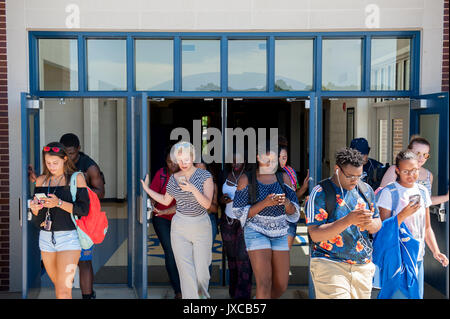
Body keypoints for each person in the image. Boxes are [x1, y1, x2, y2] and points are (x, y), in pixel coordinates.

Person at [141, 141, 214, 299]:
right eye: (179, 160)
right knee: (185, 272)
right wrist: (147, 189)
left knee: (202, 273)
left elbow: (207, 204)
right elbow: (166, 200)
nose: (182, 163)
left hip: (200, 224)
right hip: (179, 225)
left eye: (186, 159)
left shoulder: (204, 176)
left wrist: (192, 188)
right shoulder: (174, 178)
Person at [306, 147, 381, 299]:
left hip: (362, 265)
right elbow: (315, 234)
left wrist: (369, 224)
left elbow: (378, 223)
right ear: (337, 170)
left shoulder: (366, 190)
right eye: (350, 176)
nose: (355, 180)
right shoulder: (321, 192)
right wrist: (348, 220)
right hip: (329, 263)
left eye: (359, 176)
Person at [375, 150, 448, 298]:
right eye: (406, 171)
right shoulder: (389, 192)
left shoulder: (422, 191)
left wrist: (435, 251)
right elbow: (381, 230)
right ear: (397, 170)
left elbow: (427, 227)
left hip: (418, 256)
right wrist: (402, 215)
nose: (411, 175)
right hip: (396, 257)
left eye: (414, 170)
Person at [232, 140, 300, 299]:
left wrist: (286, 203)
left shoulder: (284, 178)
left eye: (274, 161)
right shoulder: (246, 179)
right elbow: (238, 212)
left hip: (281, 232)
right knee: (264, 282)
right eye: (266, 160)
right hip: (256, 231)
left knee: (281, 285)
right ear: (257, 157)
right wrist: (265, 203)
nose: (270, 164)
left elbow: (294, 212)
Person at [29, 142, 90, 299]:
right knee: (59, 288)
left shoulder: (77, 179)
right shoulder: (41, 180)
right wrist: (34, 209)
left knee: (64, 291)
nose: (52, 167)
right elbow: (37, 218)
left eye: (55, 163)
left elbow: (83, 210)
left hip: (69, 239)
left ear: (64, 159)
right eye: (48, 163)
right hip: (46, 239)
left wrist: (59, 203)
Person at [59, 133, 105, 300]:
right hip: (64, 217)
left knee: (84, 261)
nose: (68, 156)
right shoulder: (59, 161)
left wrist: (81, 187)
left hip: (83, 219)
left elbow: (101, 192)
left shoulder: (89, 166)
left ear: (78, 149)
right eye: (65, 153)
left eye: (71, 153)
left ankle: (88, 296)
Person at [147, 146, 182, 299]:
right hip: (161, 218)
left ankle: (184, 282)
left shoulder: (186, 176)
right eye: (169, 162)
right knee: (170, 251)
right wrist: (150, 207)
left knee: (182, 252)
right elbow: (153, 194)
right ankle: (178, 290)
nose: (172, 165)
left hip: (181, 218)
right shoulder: (161, 174)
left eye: (174, 162)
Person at [218, 151, 253, 299]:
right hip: (228, 222)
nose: (235, 164)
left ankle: (243, 296)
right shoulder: (224, 175)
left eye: (238, 161)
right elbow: (217, 198)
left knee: (243, 259)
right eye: (232, 161)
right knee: (231, 259)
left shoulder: (250, 176)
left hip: (245, 222)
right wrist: (222, 199)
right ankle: (233, 293)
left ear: (244, 160)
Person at [380, 136, 449, 205]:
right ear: (409, 152)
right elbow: (383, 196)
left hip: (420, 215)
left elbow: (427, 201)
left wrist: (447, 197)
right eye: (418, 153)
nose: (421, 158)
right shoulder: (395, 170)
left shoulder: (428, 175)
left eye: (425, 155)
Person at [278, 144, 309, 249]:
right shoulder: (264, 174)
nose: (281, 161)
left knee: (283, 257)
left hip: (289, 220)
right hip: (271, 222)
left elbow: (295, 197)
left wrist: (304, 187)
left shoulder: (290, 173)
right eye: (279, 157)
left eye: (284, 157)